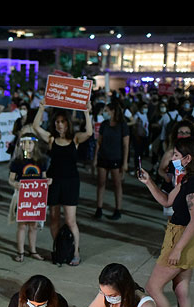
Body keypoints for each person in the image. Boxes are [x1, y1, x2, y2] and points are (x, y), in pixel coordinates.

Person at [138, 136, 194, 307]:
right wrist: (149, 181)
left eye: (177, 155)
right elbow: (166, 201)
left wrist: (177, 249)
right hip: (180, 236)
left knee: (153, 287)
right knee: (181, 290)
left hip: (184, 239)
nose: (173, 159)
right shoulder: (186, 180)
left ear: (188, 158)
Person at [33, 100, 92, 266]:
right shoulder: (51, 139)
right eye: (57, 122)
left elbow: (88, 132)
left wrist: (86, 112)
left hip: (71, 182)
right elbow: (36, 127)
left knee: (70, 220)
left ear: (68, 123)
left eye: (63, 121)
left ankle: (75, 252)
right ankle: (60, 249)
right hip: (54, 182)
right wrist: (42, 108)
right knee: (53, 219)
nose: (60, 125)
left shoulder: (75, 139)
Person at [8, 133, 48, 262]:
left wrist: (48, 181)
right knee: (21, 225)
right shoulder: (17, 161)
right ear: (21, 145)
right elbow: (11, 179)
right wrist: (15, 184)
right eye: (24, 143)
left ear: (35, 144)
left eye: (30, 143)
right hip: (22, 197)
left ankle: (33, 250)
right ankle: (20, 252)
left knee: (33, 225)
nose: (27, 146)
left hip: (36, 198)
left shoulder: (41, 161)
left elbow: (44, 177)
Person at [93, 101, 130, 220]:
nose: (105, 113)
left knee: (117, 184)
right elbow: (99, 142)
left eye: (106, 111)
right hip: (103, 157)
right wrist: (95, 158)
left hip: (116, 158)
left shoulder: (122, 125)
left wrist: (124, 162)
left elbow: (126, 145)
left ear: (113, 111)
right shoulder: (104, 124)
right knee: (101, 183)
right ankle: (99, 208)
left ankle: (118, 209)